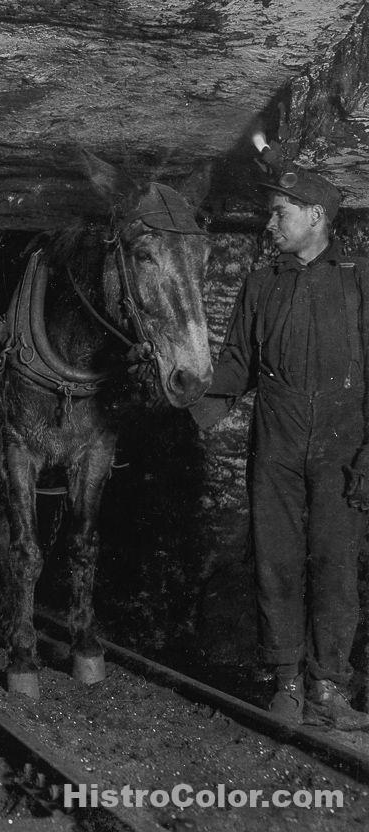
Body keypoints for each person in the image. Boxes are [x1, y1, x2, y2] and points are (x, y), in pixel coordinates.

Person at [191, 161, 369, 730]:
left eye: (280, 212)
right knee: (276, 562)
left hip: (344, 440)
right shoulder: (262, 282)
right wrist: (192, 409)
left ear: (316, 215)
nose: (271, 222)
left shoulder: (362, 280)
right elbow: (237, 363)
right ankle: (287, 683)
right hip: (278, 434)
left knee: (337, 564)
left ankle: (328, 688)